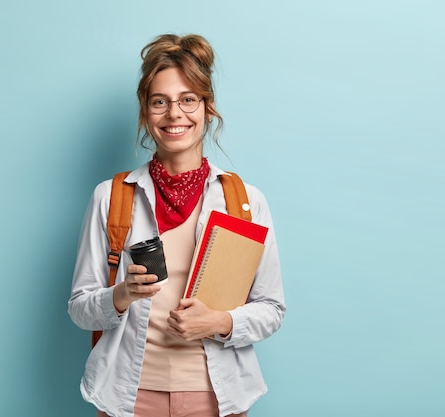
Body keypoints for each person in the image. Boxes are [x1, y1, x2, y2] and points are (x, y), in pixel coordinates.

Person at [68, 33, 286, 417]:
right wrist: (121, 295)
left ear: (207, 106)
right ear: (145, 111)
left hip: (217, 398)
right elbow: (80, 308)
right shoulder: (112, 197)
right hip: (127, 398)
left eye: (188, 99)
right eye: (160, 102)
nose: (174, 114)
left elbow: (271, 308)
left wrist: (219, 322)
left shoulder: (244, 202)